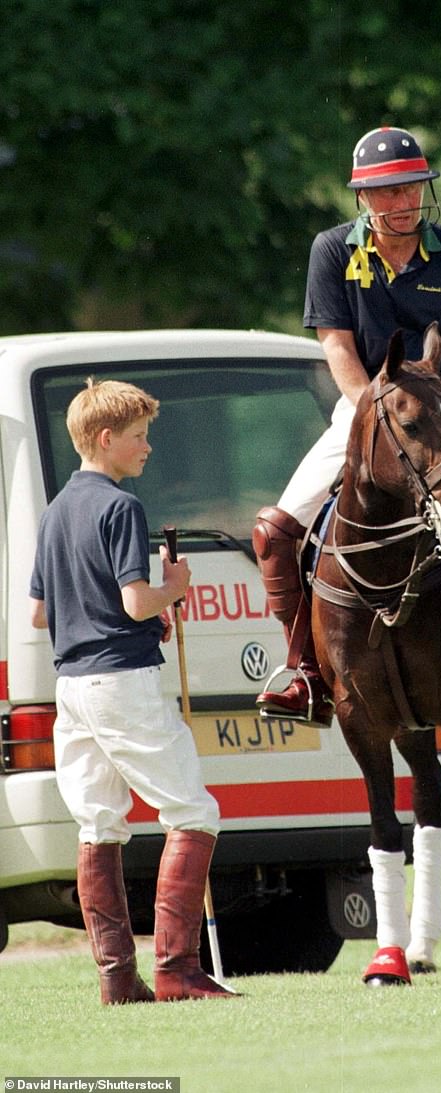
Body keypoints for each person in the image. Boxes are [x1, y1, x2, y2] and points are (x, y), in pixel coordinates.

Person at [254, 125, 441, 726]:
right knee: (274, 532)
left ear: (425, 189)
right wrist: (373, 409)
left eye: (411, 188)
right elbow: (336, 345)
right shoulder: (333, 251)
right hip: (364, 406)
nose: (401, 203)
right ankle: (305, 671)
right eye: (386, 193)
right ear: (363, 199)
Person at [29, 378, 235, 1003]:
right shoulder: (121, 507)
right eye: (140, 437)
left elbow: (40, 614)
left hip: (72, 685)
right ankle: (178, 969)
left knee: (98, 823)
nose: (148, 448)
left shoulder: (56, 509)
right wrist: (172, 588)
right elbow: (134, 599)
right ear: (106, 438)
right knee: (194, 812)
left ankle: (117, 980)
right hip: (123, 678)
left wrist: (120, 609)